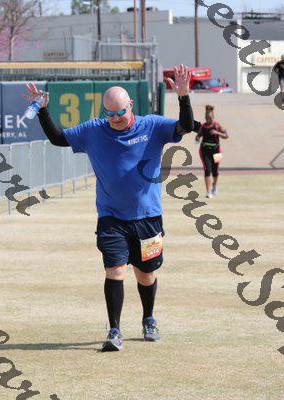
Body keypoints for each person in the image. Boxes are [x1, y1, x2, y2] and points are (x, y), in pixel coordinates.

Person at [25, 64, 195, 352]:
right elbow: (58, 138)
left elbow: (186, 126)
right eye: (110, 113)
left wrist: (183, 96)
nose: (115, 118)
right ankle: (114, 330)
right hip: (111, 217)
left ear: (131, 106)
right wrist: (43, 110)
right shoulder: (94, 130)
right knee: (115, 270)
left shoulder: (152, 125)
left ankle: (148, 318)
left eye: (121, 112)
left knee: (145, 275)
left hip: (148, 216)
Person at [196, 105, 228, 199]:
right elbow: (198, 136)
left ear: (213, 117)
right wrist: (197, 138)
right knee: (207, 170)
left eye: (210, 117)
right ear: (205, 118)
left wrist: (217, 133)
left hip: (217, 150)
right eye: (207, 117)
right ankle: (208, 191)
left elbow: (226, 135)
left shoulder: (217, 125)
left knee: (215, 170)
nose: (208, 119)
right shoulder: (203, 126)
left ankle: (214, 186)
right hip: (205, 150)